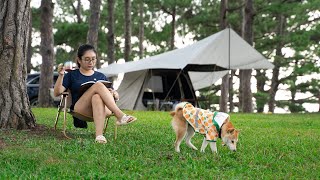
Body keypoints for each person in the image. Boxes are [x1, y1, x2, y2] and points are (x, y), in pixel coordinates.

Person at [53, 44, 137, 143]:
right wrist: (61, 75)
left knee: (97, 97)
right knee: (98, 85)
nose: (91, 62)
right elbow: (57, 93)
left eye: (93, 59)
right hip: (82, 108)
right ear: (79, 60)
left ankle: (99, 136)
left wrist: (114, 93)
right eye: (87, 59)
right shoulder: (72, 75)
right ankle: (120, 115)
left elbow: (114, 94)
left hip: (103, 110)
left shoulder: (101, 75)